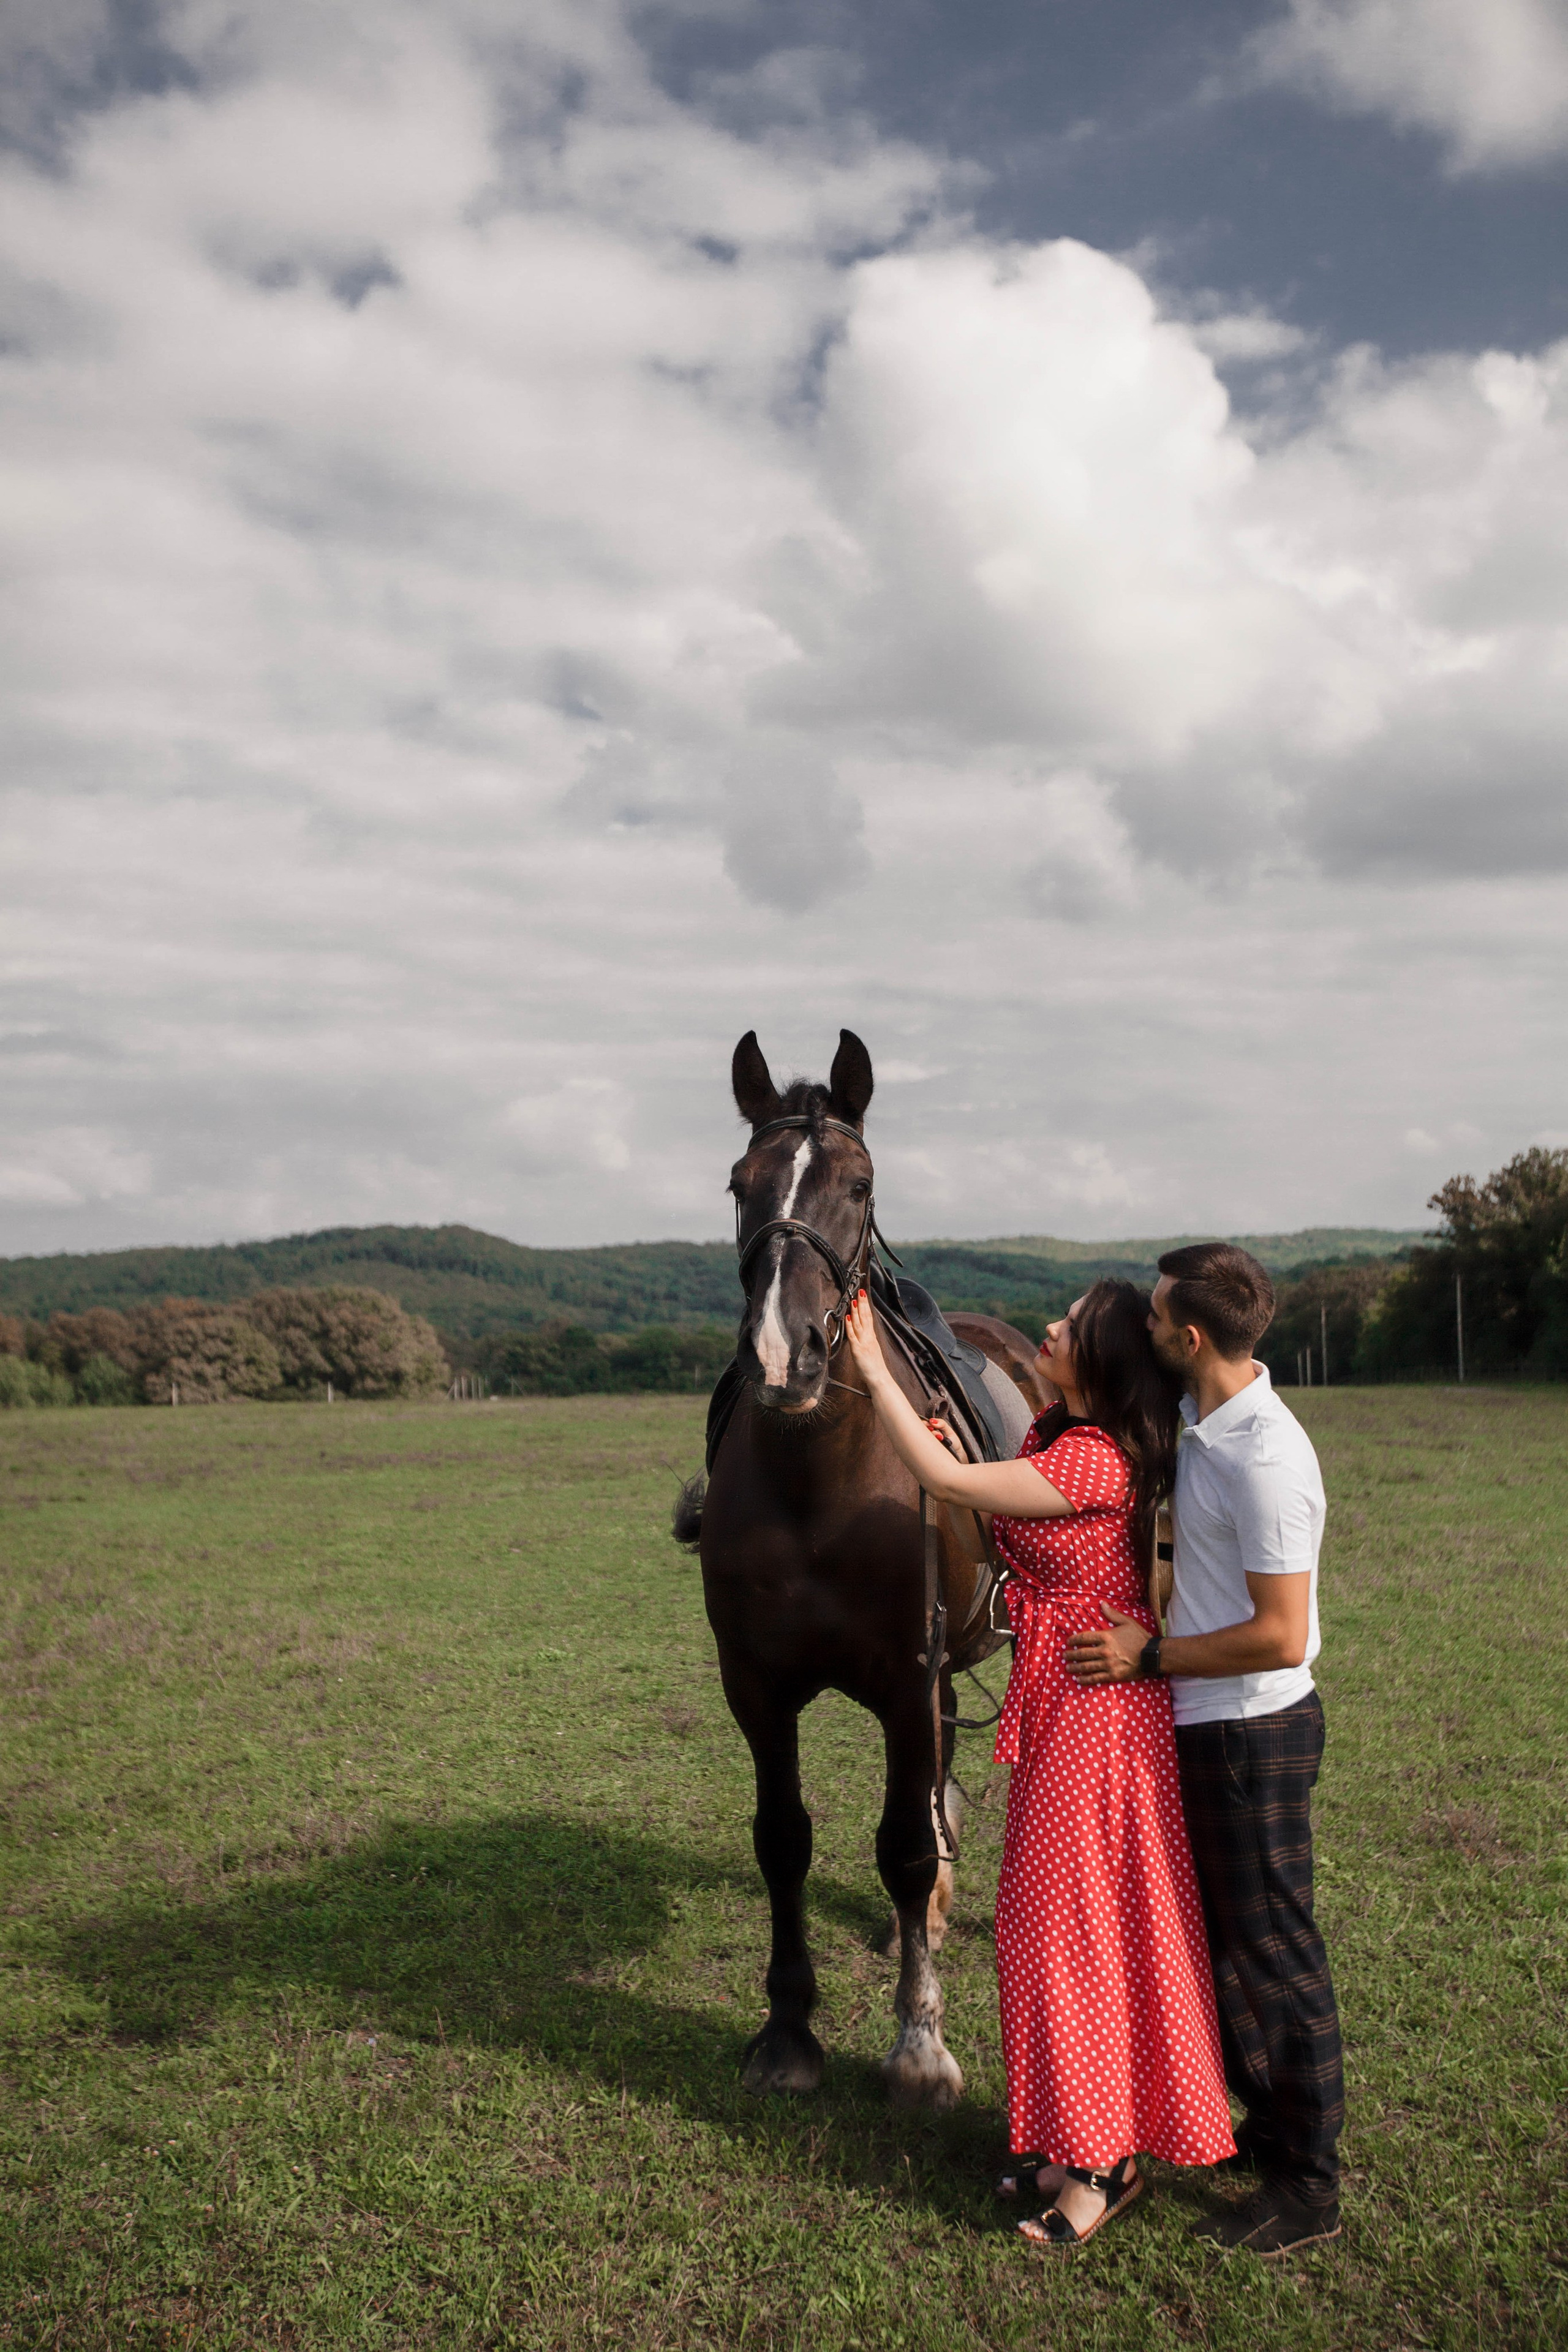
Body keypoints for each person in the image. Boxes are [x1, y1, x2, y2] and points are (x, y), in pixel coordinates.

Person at [843, 1278, 1235, 2250]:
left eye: (1067, 1327)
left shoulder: (1099, 1460)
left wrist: (869, 1374)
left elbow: (953, 1492)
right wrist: (939, 1433)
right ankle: (1079, 2138)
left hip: (1100, 1726)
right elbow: (988, 1515)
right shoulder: (1056, 1440)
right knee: (1040, 1929)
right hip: (1065, 1714)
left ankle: (1102, 2168)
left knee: (1065, 1938)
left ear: (1097, 1361)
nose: (1049, 1331)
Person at [1066, 1242, 1344, 2258]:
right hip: (1204, 1721)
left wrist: (1151, 1655)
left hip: (1252, 1729)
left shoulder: (1267, 1458)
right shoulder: (1199, 1422)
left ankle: (1310, 2184)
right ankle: (1262, 2134)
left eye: (1149, 1317)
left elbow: (1280, 1631)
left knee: (1275, 1952)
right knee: (1227, 1952)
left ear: (1189, 1338)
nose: (1141, 1329)